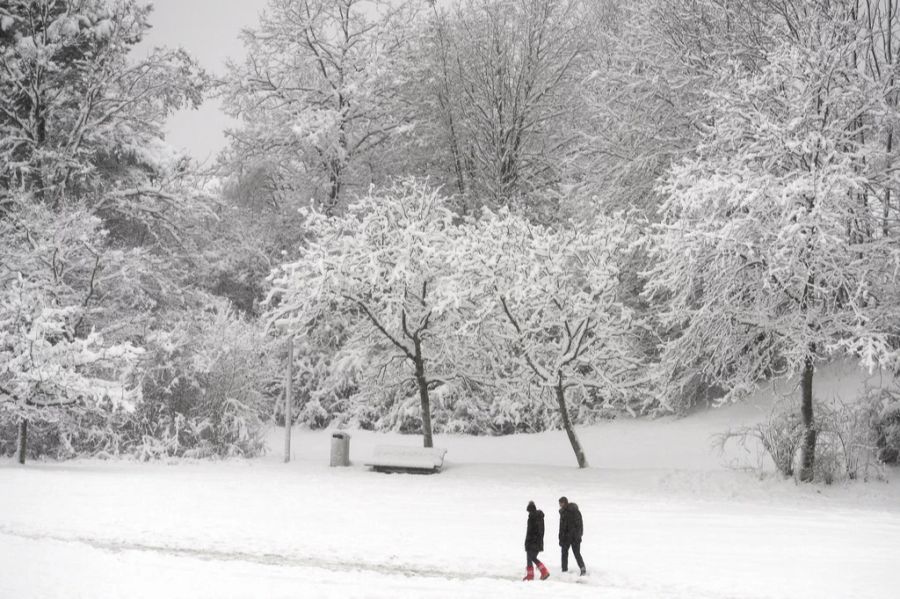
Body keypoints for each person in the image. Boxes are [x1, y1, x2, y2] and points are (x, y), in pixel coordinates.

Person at [558, 496, 586, 575]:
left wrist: (578, 535)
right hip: (566, 537)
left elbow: (579, 524)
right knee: (564, 553)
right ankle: (564, 570)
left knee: (576, 553)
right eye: (559, 503)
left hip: (574, 537)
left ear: (565, 502)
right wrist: (560, 537)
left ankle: (582, 568)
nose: (560, 505)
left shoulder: (574, 511)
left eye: (561, 503)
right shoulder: (562, 512)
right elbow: (562, 527)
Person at [523, 501, 550, 581]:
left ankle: (534, 575)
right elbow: (539, 531)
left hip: (532, 542)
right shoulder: (539, 517)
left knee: (531, 557)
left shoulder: (532, 517)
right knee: (531, 557)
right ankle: (540, 572)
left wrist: (529, 541)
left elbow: (530, 531)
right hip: (538, 541)